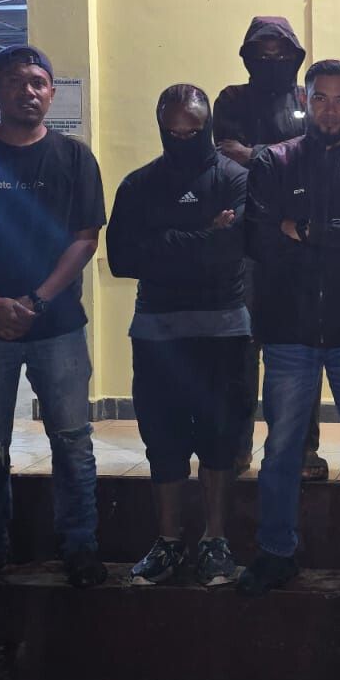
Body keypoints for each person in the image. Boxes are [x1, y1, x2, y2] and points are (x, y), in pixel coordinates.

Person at [0, 44, 106, 590]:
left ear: (51, 92)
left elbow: (85, 239)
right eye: (14, 81)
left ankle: (80, 546)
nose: (27, 91)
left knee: (72, 439)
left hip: (58, 326)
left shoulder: (75, 158)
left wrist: (36, 302)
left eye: (37, 82)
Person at [237, 59, 340, 599]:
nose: (330, 109)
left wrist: (306, 230)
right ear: (303, 101)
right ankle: (276, 553)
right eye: (320, 98)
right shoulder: (273, 162)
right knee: (282, 450)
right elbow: (259, 239)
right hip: (288, 333)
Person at [106, 83, 250, 587]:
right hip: (157, 331)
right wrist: (204, 234)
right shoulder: (138, 184)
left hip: (223, 328)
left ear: (208, 126)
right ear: (160, 127)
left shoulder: (236, 178)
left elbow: (231, 250)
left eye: (193, 130)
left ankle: (215, 541)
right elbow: (122, 258)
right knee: (163, 440)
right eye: (173, 131)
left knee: (219, 439)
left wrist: (163, 239)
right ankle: (168, 542)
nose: (183, 138)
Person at [213, 15, 327, 482]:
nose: (271, 60)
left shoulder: (307, 98)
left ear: (295, 56)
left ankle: (304, 448)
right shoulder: (231, 98)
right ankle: (236, 446)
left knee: (302, 349)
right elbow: (226, 152)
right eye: (261, 53)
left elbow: (315, 153)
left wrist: (256, 153)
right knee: (241, 350)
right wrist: (282, 153)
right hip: (246, 242)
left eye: (280, 53)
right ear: (247, 57)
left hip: (301, 244)